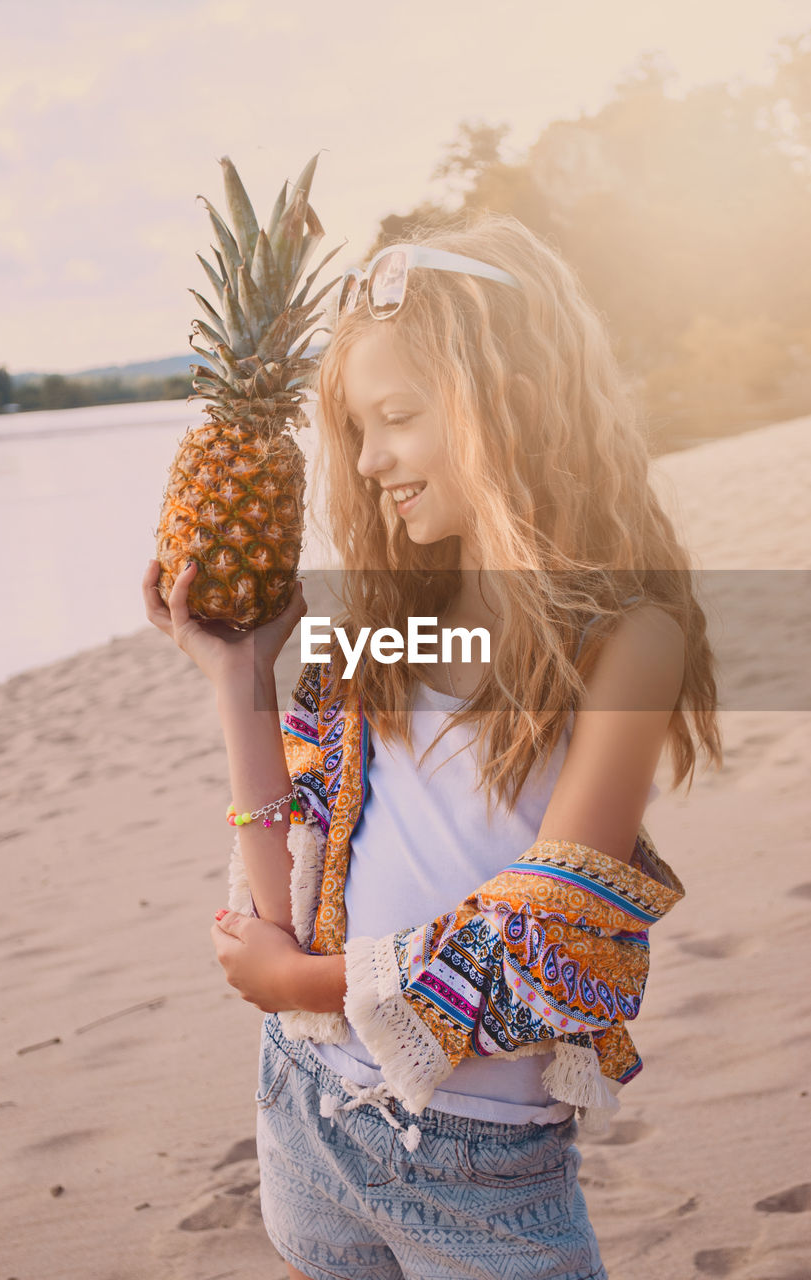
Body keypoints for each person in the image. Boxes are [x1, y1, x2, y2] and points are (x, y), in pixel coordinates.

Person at [142, 210, 722, 1280]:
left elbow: (540, 946)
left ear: (507, 397)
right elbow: (283, 906)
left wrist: (300, 982)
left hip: (475, 1163)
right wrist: (240, 682)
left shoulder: (624, 639)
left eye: (396, 416)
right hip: (304, 1107)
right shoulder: (384, 629)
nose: (367, 461)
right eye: (355, 430)